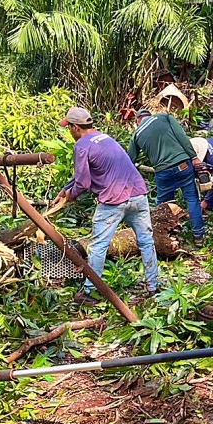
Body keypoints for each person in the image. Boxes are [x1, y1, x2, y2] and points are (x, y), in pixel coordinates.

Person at [53, 107, 160, 296]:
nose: (68, 131)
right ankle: (153, 287)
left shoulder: (81, 146)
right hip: (138, 194)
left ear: (76, 128)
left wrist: (70, 196)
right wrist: (64, 190)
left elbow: (83, 183)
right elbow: (79, 177)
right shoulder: (105, 138)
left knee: (98, 247)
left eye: (69, 127)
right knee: (146, 242)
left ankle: (90, 292)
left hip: (113, 201)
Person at [127, 109, 206, 244]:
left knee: (163, 206)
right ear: (150, 116)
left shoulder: (136, 134)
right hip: (183, 165)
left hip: (163, 172)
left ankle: (163, 237)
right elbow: (181, 136)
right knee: (192, 199)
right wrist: (194, 157)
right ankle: (198, 237)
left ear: (137, 121)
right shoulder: (164, 117)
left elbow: (129, 160)